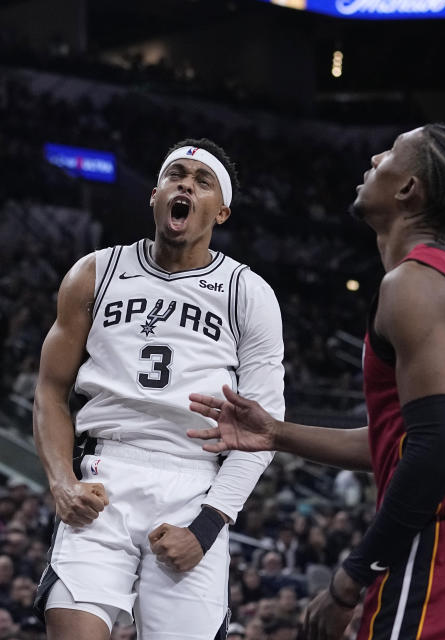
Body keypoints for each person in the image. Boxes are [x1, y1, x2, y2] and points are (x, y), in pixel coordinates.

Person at [189, 124, 445, 640]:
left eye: (389, 152)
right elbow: (402, 443)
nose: (373, 156)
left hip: (443, 544)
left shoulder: (411, 284)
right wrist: (277, 434)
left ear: (409, 189)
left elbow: (436, 451)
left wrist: (350, 579)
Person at [33, 138, 284, 639]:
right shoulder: (95, 272)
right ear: (155, 195)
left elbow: (264, 432)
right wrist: (62, 483)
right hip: (104, 472)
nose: (186, 183)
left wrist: (208, 526)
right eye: (176, 174)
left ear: (222, 211)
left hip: (193, 484)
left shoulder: (247, 292)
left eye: (202, 180)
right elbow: (50, 391)